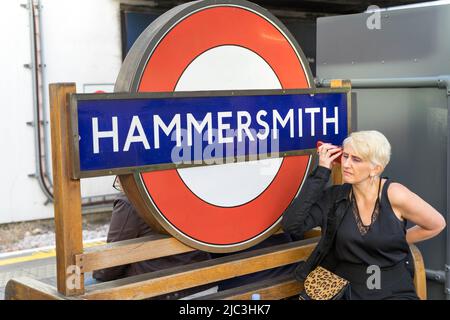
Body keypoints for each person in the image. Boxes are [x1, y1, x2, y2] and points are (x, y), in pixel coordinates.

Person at [282, 130, 446, 300]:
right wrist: (322, 171)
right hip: (345, 288)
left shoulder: (394, 194)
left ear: (376, 168)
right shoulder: (334, 197)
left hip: (391, 288)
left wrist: (400, 240)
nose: (346, 164)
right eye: (345, 156)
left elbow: (436, 224)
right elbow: (292, 225)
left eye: (356, 159)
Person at [92, 187, 215, 299]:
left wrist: (98, 272)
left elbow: (109, 266)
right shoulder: (192, 191)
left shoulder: (130, 201)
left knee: (89, 285)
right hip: (207, 282)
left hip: (164, 292)